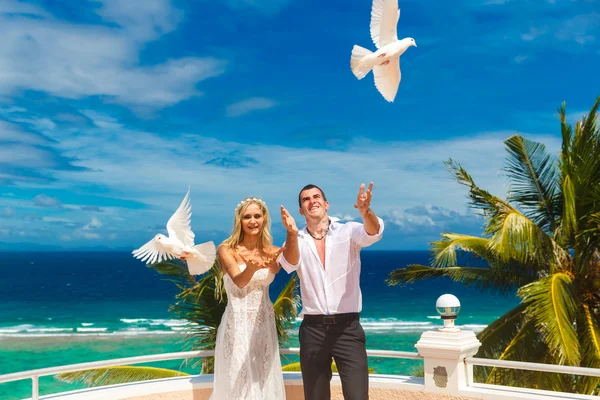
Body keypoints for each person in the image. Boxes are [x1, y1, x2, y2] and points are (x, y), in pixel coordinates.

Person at [278, 182, 384, 400]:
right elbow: (288, 263)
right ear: (301, 210)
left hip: (348, 328)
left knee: (357, 396)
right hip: (312, 329)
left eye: (316, 196)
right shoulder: (296, 240)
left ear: (326, 204)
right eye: (306, 199)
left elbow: (374, 232)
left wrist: (366, 212)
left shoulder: (348, 231)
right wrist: (290, 233)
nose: (311, 201)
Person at [211, 197, 286, 400]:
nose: (252, 221)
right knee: (237, 379)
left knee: (262, 378)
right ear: (239, 221)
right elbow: (239, 281)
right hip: (237, 322)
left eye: (257, 216)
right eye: (247, 217)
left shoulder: (274, 251)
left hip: (263, 322)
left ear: (264, 219)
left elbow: (278, 267)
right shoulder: (226, 249)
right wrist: (251, 268)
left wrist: (291, 237)